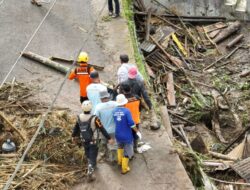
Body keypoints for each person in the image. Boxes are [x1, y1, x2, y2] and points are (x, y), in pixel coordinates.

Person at [72, 100, 113, 182]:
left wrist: (73, 137)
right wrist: (109, 138)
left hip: (84, 140)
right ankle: (90, 172)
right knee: (93, 156)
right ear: (91, 108)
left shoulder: (79, 117)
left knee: (88, 154)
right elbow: (102, 129)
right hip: (93, 141)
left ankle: (92, 164)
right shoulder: (95, 118)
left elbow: (76, 129)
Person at [113, 94, 142, 174]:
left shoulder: (114, 110)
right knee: (128, 151)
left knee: (120, 147)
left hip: (117, 134)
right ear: (124, 103)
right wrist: (137, 131)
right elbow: (132, 124)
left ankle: (119, 162)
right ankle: (124, 168)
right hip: (126, 135)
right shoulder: (126, 111)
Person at [94, 90, 117, 161]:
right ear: (108, 96)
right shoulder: (115, 104)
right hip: (114, 129)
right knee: (113, 144)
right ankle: (113, 158)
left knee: (103, 143)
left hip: (104, 130)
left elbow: (95, 118)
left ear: (101, 98)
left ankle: (102, 155)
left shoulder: (98, 107)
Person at [121, 83, 141, 151]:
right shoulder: (137, 97)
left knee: (128, 135)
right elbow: (140, 108)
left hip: (126, 121)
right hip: (136, 119)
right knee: (135, 134)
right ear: (130, 89)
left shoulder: (123, 101)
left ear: (123, 91)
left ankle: (129, 149)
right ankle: (135, 147)